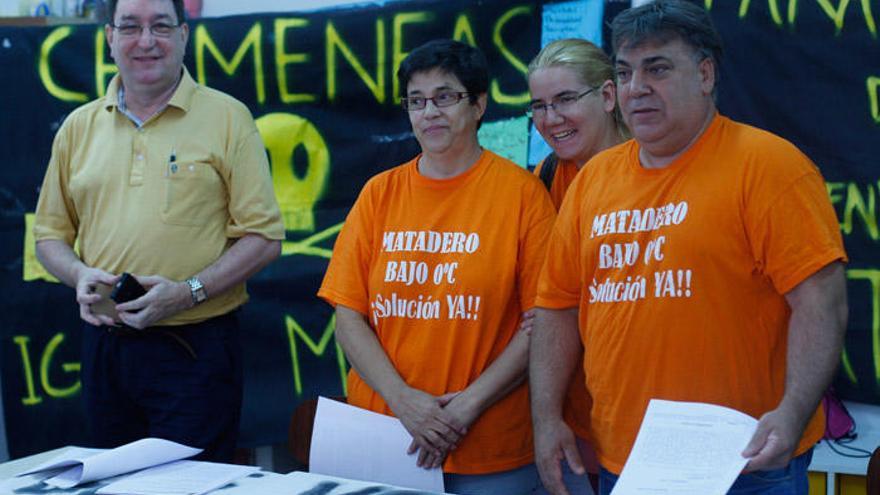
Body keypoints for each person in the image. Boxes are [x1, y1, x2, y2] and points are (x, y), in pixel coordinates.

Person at [529, 2, 847, 494]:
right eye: (625, 71)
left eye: (657, 68)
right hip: (626, 460)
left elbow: (821, 301)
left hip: (746, 463)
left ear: (704, 74)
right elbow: (557, 308)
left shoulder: (770, 167)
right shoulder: (594, 180)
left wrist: (791, 413)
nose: (637, 88)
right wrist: (546, 417)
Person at [33, 0, 284, 462]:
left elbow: (264, 237)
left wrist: (187, 291)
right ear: (109, 38)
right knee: (113, 485)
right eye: (130, 26)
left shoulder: (229, 118)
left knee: (193, 486)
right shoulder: (77, 128)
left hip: (194, 350)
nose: (146, 41)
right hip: (105, 351)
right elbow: (48, 236)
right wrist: (78, 275)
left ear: (184, 36)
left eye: (160, 26)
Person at [318, 39, 555, 494]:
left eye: (446, 96)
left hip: (490, 447)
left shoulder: (522, 196)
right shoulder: (378, 194)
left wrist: (465, 407)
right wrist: (405, 402)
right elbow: (347, 314)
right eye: (416, 100)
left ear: (479, 104)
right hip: (385, 440)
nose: (430, 112)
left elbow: (542, 324)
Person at [525, 38, 629, 495]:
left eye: (566, 100)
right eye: (540, 106)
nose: (551, 119)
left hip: (651, 407)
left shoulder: (653, 165)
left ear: (608, 97)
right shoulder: (546, 177)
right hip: (576, 410)